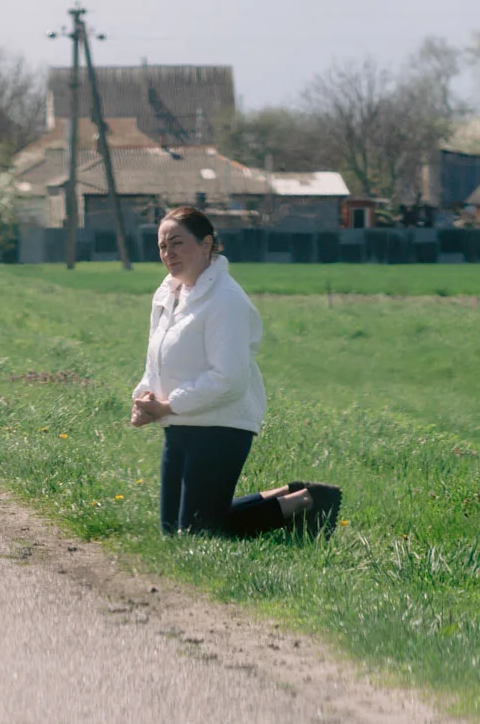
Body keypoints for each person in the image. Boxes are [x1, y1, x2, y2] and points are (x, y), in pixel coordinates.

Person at [129, 205, 338, 537]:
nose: (168, 252)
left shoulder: (226, 300)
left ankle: (308, 502)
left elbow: (229, 380)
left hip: (220, 426)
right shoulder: (168, 294)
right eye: (162, 245)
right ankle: (286, 493)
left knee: (197, 531)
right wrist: (144, 399)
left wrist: (167, 406)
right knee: (174, 531)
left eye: (177, 242)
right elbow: (156, 359)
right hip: (180, 424)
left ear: (207, 244)